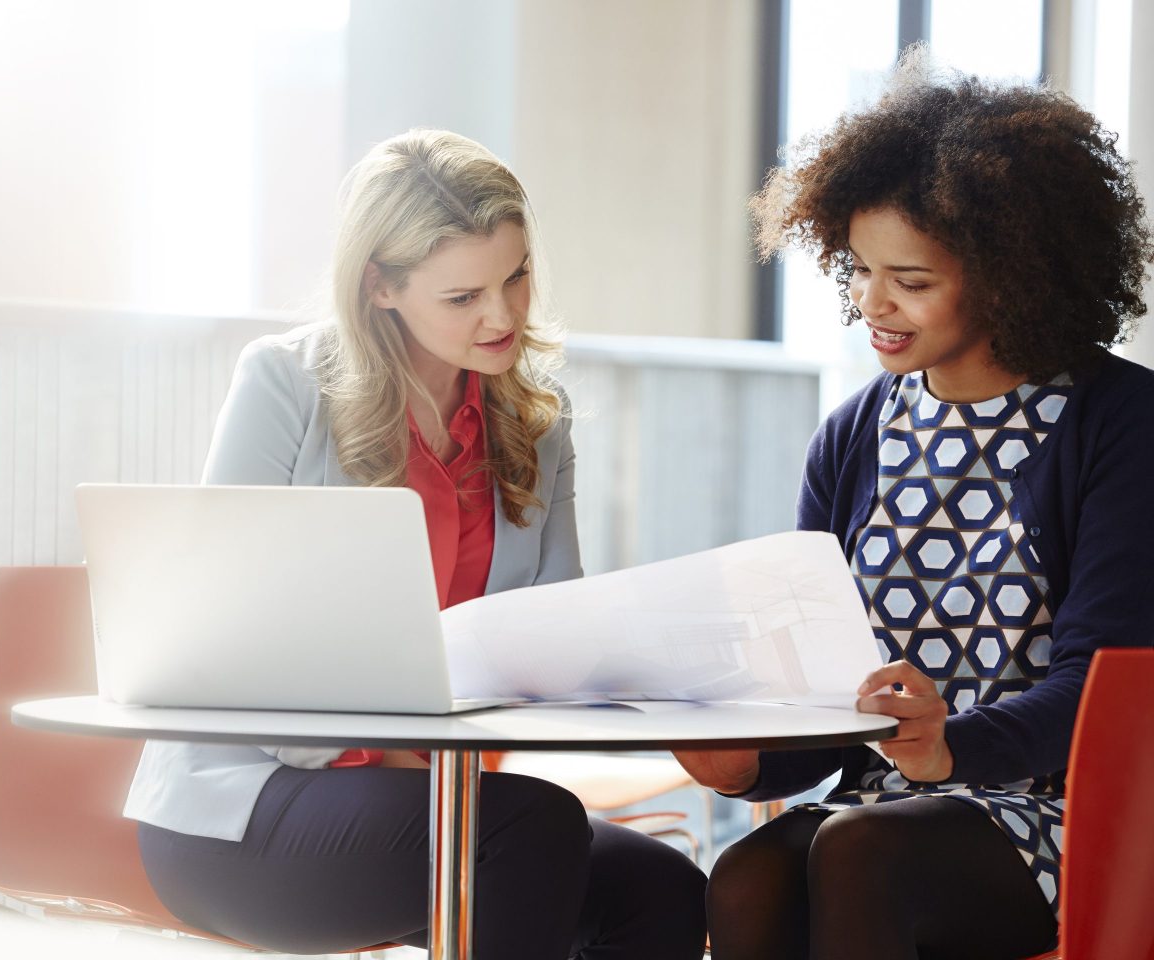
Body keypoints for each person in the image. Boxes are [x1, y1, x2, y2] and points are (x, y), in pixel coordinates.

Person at [126, 129, 708, 958]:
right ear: (381, 288)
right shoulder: (285, 384)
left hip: (447, 803)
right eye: (463, 296)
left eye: (516, 277)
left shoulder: (537, 423)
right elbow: (216, 622)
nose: (502, 315)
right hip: (247, 805)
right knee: (532, 828)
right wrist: (398, 746)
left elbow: (554, 633)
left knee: (663, 888)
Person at [676, 52, 1154, 960]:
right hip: (887, 805)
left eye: (914, 280)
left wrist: (948, 751)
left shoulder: (1120, 424)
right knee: (746, 877)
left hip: (1061, 814)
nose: (873, 304)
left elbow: (1103, 687)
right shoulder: (855, 434)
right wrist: (746, 764)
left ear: (1013, 276)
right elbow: (830, 701)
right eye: (859, 270)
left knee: (859, 853)